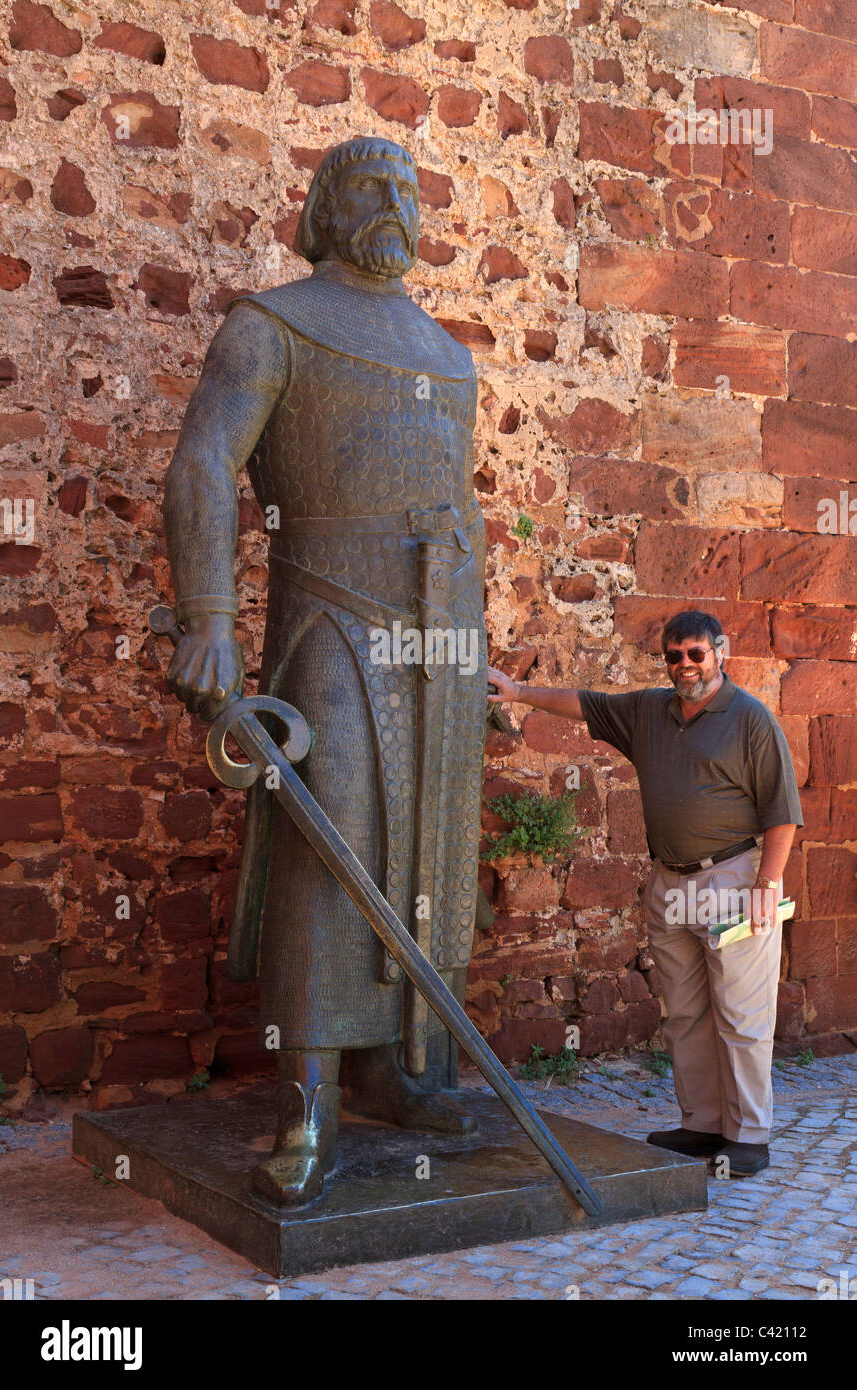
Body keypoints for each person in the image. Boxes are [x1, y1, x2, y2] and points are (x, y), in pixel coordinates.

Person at [162, 136, 486, 1206]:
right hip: (333, 619)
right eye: (367, 185)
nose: (391, 202)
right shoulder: (272, 324)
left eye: (406, 186)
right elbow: (206, 459)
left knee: (426, 853)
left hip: (440, 632)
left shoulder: (446, 353)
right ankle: (307, 1096)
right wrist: (207, 615)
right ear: (323, 206)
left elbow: (462, 503)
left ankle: (394, 1068)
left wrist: (475, 660)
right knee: (330, 833)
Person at [487, 610, 803, 1177]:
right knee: (684, 1013)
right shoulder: (649, 711)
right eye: (674, 656)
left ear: (720, 653)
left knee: (741, 1014)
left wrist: (767, 885)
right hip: (670, 882)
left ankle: (749, 1136)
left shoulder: (752, 721)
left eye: (696, 654)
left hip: (733, 881)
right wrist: (518, 691)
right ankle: (703, 1124)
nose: (685, 666)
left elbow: (783, 815)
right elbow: (584, 703)